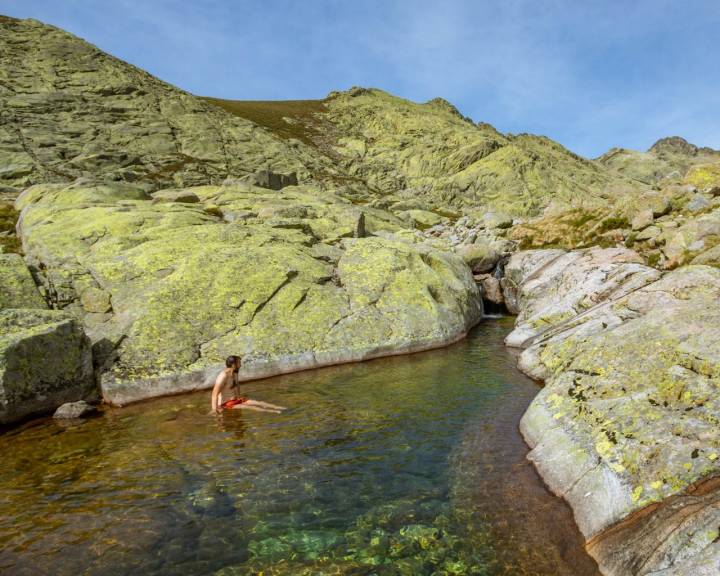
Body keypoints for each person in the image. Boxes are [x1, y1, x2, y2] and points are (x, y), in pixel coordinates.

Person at [211, 355, 286, 414]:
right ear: (233, 365)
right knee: (253, 407)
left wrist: (239, 396)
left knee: (260, 403)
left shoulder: (235, 372)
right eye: (239, 363)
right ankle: (276, 412)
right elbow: (214, 394)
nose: (240, 365)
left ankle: (282, 408)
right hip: (226, 403)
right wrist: (215, 410)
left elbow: (237, 385)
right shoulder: (223, 375)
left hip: (236, 399)